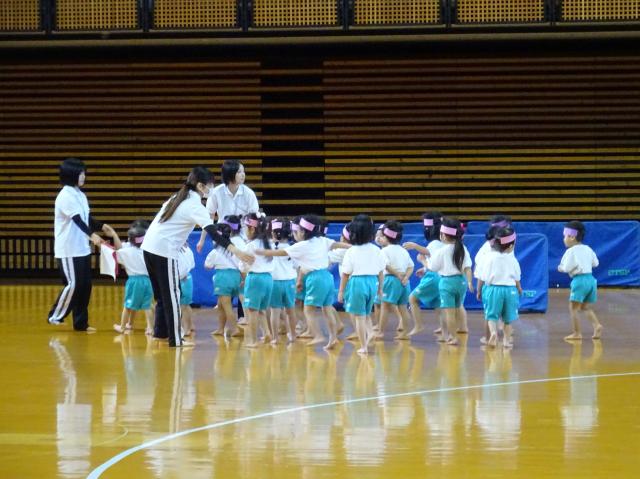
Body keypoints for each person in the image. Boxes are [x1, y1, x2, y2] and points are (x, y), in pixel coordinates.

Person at [141, 166, 252, 347]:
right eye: (210, 185)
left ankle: (160, 333)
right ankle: (176, 340)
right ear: (200, 186)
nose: (212, 189)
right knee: (173, 296)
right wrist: (237, 251)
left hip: (149, 248)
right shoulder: (194, 205)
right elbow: (214, 233)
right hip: (163, 251)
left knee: (162, 295)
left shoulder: (177, 198)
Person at [255, 214, 349, 350]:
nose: (295, 234)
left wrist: (263, 252)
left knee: (308, 310)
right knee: (327, 308)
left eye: (297, 231)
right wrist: (352, 246)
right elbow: (337, 244)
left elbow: (280, 253)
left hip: (315, 278)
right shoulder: (322, 240)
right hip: (327, 277)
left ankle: (318, 335)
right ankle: (333, 338)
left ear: (304, 232)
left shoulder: (302, 245)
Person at [48, 157, 112, 331]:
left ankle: (81, 323)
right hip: (68, 249)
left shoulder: (80, 195)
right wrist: (92, 236)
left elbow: (86, 218)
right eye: (81, 173)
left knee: (85, 286)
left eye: (84, 173)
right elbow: (77, 220)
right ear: (71, 175)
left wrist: (101, 226)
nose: (84, 176)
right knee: (74, 284)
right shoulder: (65, 196)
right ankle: (55, 315)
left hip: (81, 248)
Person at [196, 159, 259, 326]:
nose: (243, 175)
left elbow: (254, 219)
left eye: (243, 171)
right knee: (227, 274)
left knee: (243, 275)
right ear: (230, 174)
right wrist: (202, 240)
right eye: (239, 172)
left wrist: (253, 241)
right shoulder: (216, 192)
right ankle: (226, 314)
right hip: (223, 238)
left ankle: (243, 314)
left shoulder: (248, 193)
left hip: (243, 239)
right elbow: (208, 218)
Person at [337, 215, 386, 354]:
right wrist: (380, 288)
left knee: (359, 316)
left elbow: (345, 274)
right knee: (366, 313)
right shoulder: (376, 250)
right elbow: (381, 271)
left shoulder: (351, 251)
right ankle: (370, 332)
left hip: (357, 283)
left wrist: (341, 291)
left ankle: (363, 346)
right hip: (372, 283)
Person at [427, 217, 473, 346]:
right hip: (461, 282)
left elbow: (433, 267)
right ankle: (456, 332)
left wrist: (424, 261)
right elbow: (468, 267)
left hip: (447, 283)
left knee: (449, 313)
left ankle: (453, 337)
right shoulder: (462, 248)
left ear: (443, 236)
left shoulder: (441, 251)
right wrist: (470, 282)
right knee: (457, 309)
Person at [558, 220, 603, 341]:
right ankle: (597, 325)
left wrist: (560, 268)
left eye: (565, 236)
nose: (564, 239)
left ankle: (577, 333)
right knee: (584, 307)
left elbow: (566, 268)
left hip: (579, 280)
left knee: (573, 308)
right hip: (591, 280)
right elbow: (596, 263)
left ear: (572, 237)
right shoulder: (588, 248)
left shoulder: (570, 251)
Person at [108, 221, 154, 335]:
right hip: (147, 280)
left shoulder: (126, 252)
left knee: (128, 305)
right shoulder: (146, 251)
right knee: (147, 305)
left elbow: (113, 254)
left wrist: (102, 245)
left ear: (130, 239)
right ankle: (150, 328)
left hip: (134, 281)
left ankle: (122, 327)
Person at [479, 227, 522, 348]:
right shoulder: (512, 260)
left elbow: (483, 276)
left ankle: (493, 333)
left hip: (493, 289)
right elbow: (517, 277)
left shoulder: (489, 258)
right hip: (510, 290)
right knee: (507, 319)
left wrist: (480, 290)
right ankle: (506, 341)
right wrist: (519, 288)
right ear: (510, 246)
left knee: (491, 316)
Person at [403, 212, 444, 337]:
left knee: (412, 298)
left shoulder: (435, 244)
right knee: (437, 303)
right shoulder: (442, 244)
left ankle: (418, 325)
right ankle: (444, 329)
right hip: (439, 276)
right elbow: (435, 261)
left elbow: (427, 252)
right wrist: (425, 269)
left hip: (433, 277)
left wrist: (415, 247)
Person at [204, 216, 244, 337]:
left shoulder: (215, 252)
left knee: (227, 306)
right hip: (236, 277)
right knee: (221, 305)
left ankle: (235, 329)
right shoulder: (234, 249)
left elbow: (207, 266)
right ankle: (220, 329)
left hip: (223, 278)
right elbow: (241, 264)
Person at [238, 213, 273, 347]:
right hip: (268, 279)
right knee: (261, 310)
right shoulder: (268, 244)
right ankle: (267, 333)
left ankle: (253, 341)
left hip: (255, 279)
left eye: (246, 228)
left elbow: (242, 266)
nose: (245, 231)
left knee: (252, 311)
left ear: (252, 229)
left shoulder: (250, 246)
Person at [376, 221, 414, 340]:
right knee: (403, 307)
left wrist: (397, 274)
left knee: (385, 306)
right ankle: (405, 333)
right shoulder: (403, 250)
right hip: (404, 283)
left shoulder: (384, 251)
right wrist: (406, 277)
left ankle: (381, 332)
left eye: (382, 236)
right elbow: (411, 266)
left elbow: (386, 265)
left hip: (391, 280)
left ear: (386, 237)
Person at [268, 217, 298, 344]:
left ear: (274, 233)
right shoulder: (293, 248)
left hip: (274, 282)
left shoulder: (269, 247)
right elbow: (296, 266)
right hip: (290, 282)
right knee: (291, 311)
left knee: (274, 311)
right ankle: (293, 335)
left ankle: (275, 338)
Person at [177, 242, 196, 337]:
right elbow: (192, 265)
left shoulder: (177, 251)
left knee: (183, 306)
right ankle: (190, 325)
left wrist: (183, 274)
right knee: (186, 304)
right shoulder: (188, 249)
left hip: (183, 279)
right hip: (186, 277)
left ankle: (186, 329)